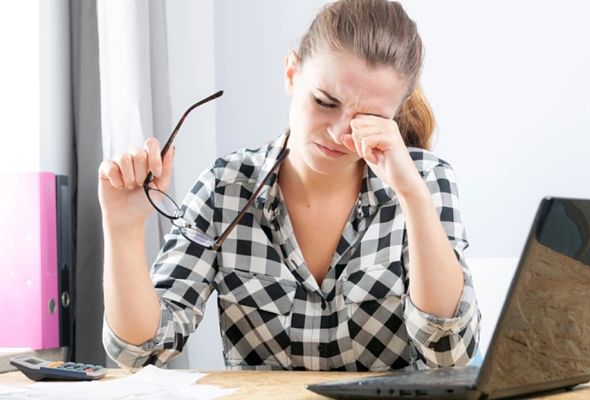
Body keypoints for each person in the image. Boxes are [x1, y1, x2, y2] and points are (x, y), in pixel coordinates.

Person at [99, 0, 480, 371]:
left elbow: (449, 353)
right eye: (325, 102)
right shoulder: (225, 189)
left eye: (367, 119)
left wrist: (412, 197)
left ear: (394, 114)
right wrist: (124, 229)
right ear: (291, 72)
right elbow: (141, 352)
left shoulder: (426, 180)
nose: (336, 133)